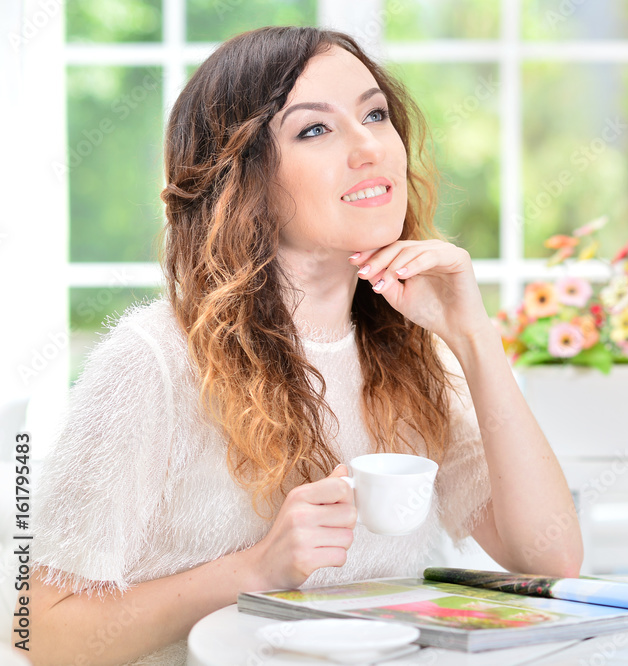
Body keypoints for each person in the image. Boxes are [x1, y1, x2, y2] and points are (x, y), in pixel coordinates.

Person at [17, 26, 582, 665]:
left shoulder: (413, 351)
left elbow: (551, 560)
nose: (369, 147)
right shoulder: (153, 361)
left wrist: (474, 337)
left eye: (375, 115)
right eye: (315, 129)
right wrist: (256, 570)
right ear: (244, 180)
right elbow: (42, 632)